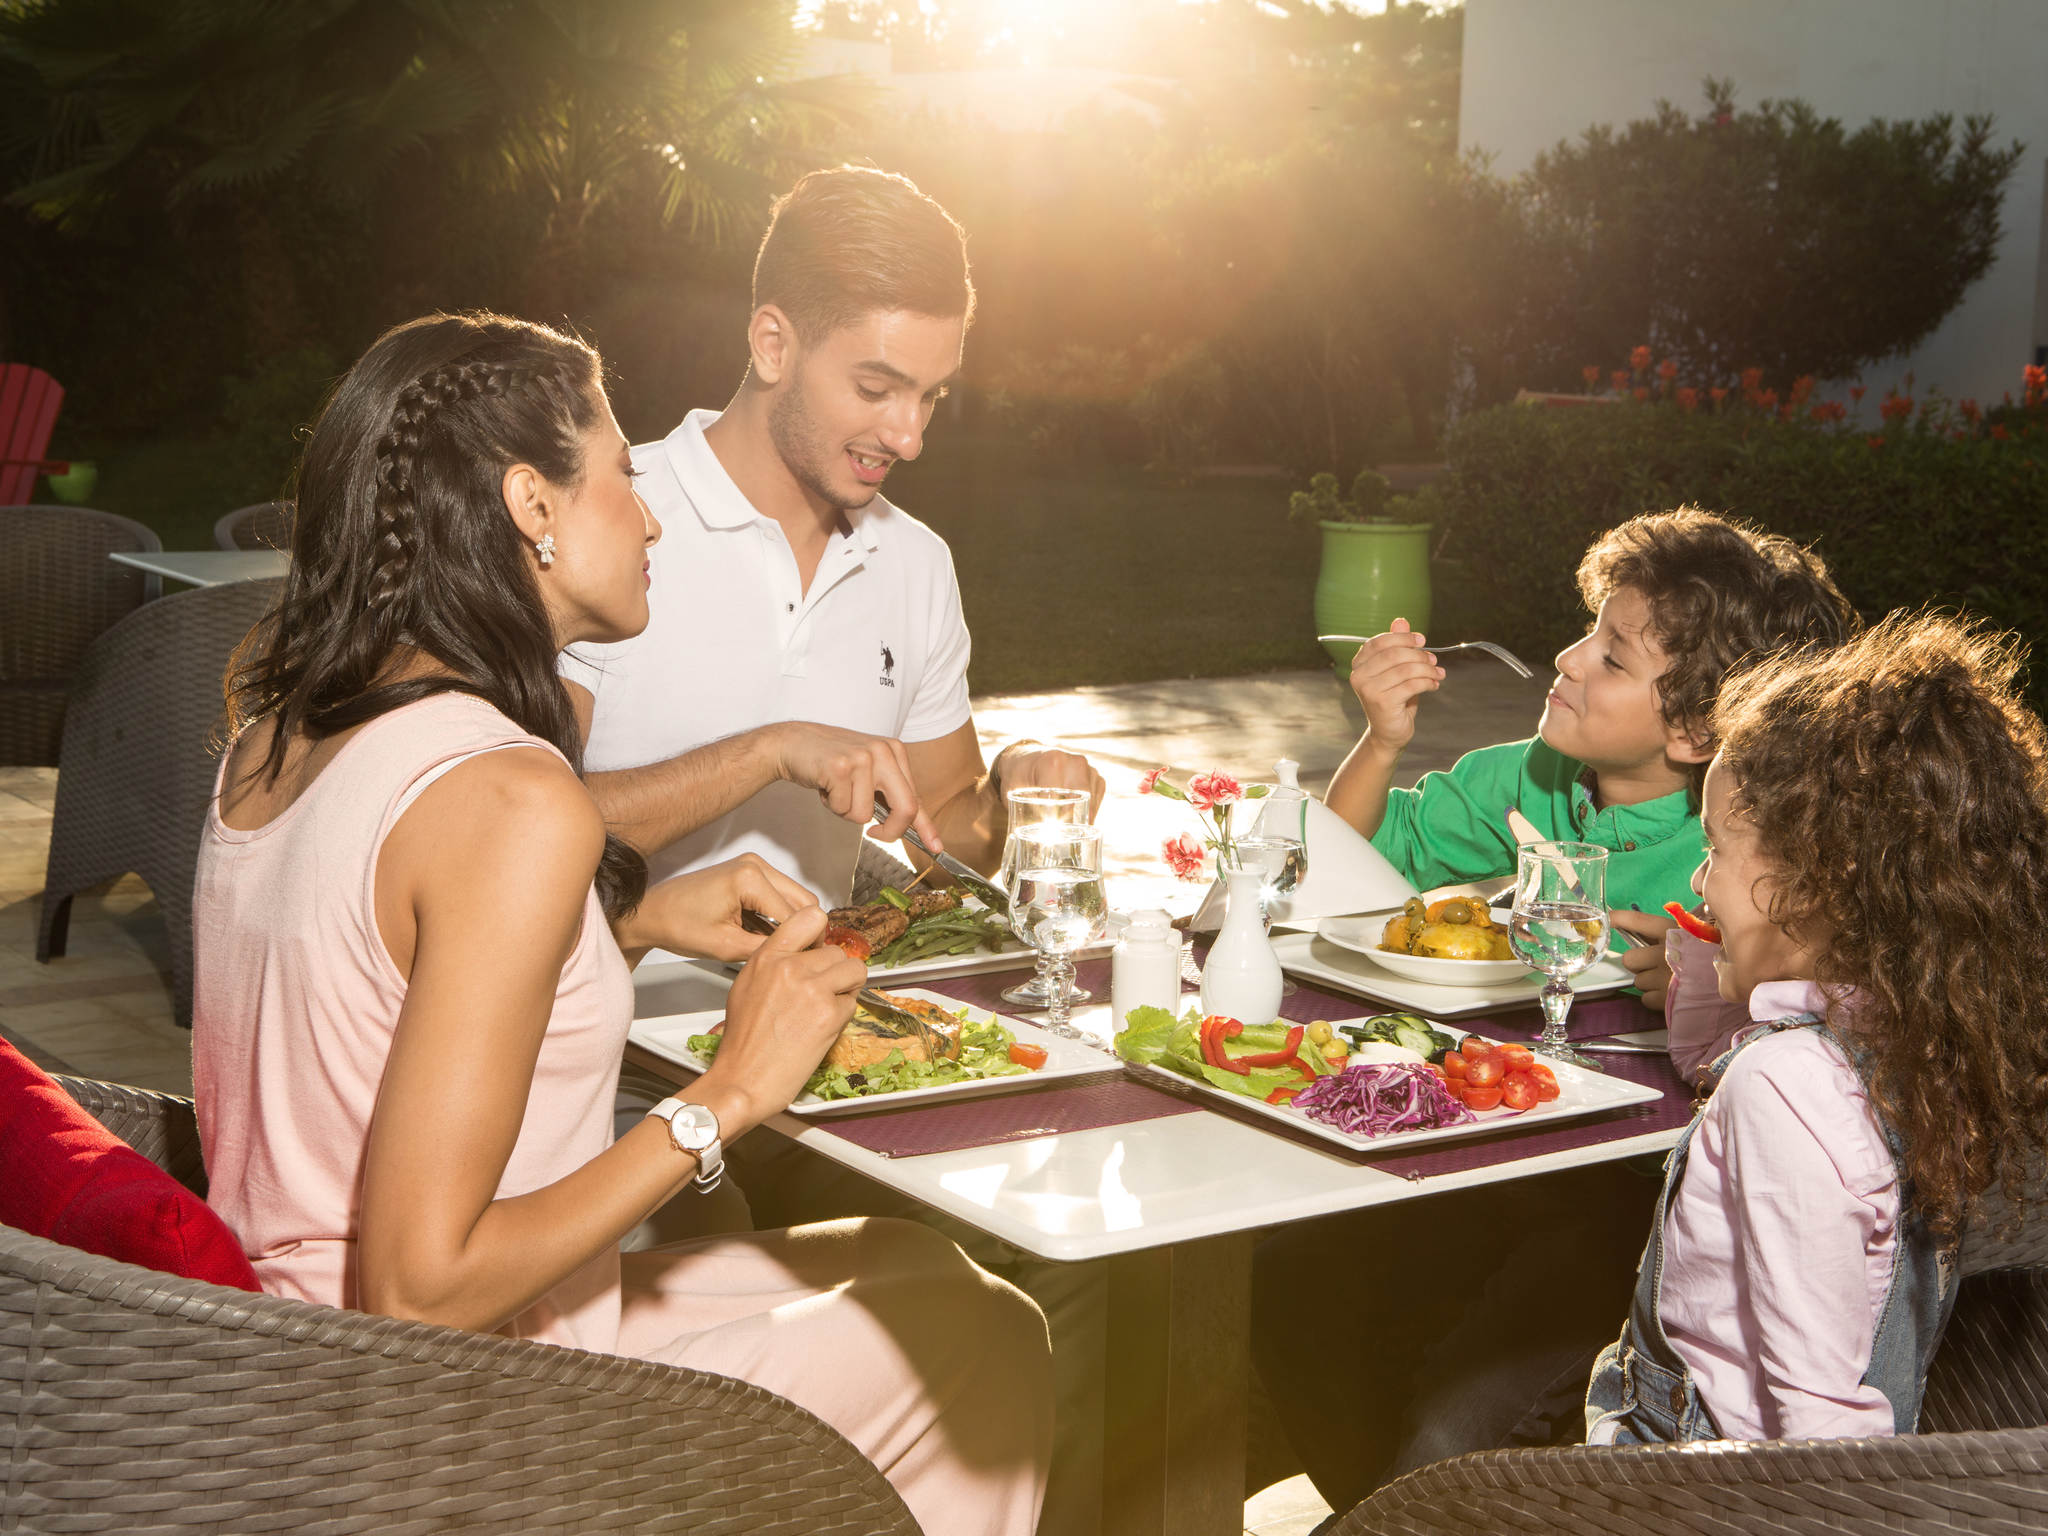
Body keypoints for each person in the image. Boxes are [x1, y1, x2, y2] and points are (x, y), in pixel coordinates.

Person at [191, 311, 1053, 1536]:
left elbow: (374, 988)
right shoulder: (513, 795)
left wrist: (631, 924)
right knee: (980, 1339)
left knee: (909, 1265)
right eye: (622, 479)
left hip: (272, 1367)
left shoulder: (278, 739)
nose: (648, 519)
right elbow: (417, 1289)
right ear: (531, 507)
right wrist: (732, 1092)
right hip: (431, 1427)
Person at [1254, 509, 1860, 1517]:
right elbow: (1342, 868)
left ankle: (1416, 1499)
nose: (1566, 657)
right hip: (1506, 1156)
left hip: (1638, 1206)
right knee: (1292, 1287)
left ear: (1695, 729)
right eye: (1587, 630)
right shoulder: (1529, 776)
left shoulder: (1751, 848)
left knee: (1455, 1426)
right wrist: (1379, 738)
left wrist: (1705, 970)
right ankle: (1382, 1508)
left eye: (1610, 657)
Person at [560, 165, 1100, 908]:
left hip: (823, 1021)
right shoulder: (603, 523)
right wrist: (768, 752)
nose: (909, 438)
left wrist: (1009, 790)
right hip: (606, 1019)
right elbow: (514, 823)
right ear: (774, 345)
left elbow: (943, 836)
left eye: (931, 396)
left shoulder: (917, 564)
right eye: (876, 390)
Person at [1588, 610, 2048, 1442]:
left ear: (1814, 881)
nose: (1700, 875)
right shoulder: (1910, 1030)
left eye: (1719, 848)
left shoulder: (1786, 1086)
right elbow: (1703, 1054)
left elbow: (1822, 1435)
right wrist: (1713, 943)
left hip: (1697, 1484)